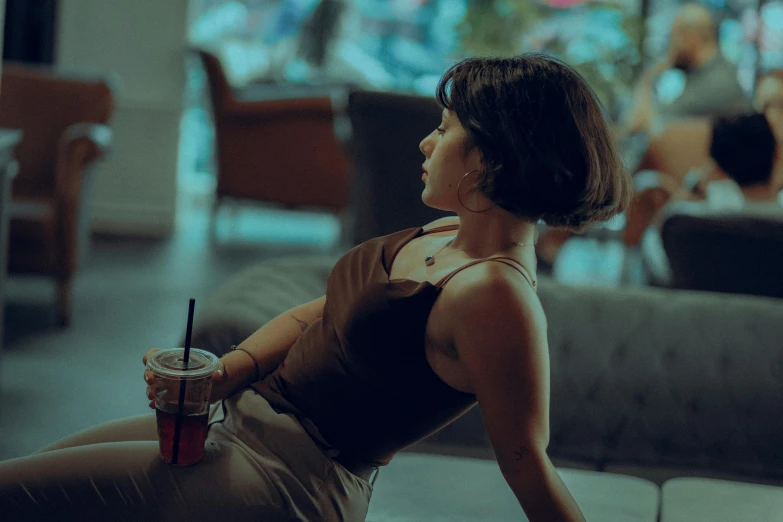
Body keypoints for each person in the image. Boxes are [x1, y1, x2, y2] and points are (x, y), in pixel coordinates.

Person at [0, 54, 632, 521]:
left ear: (490, 159)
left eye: (445, 128)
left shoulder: (496, 296)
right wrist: (225, 374)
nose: (426, 140)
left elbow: (527, 461)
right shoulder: (448, 233)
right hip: (234, 425)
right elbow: (321, 315)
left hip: (285, 482)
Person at [641, 112, 781, 284]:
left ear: (717, 168)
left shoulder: (684, 228)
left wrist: (687, 191)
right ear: (777, 156)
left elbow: (655, 258)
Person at [620, 3, 750, 137]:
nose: (671, 47)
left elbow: (647, 123)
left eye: (673, 37)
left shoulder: (718, 82)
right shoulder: (704, 74)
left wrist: (648, 78)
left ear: (691, 37)